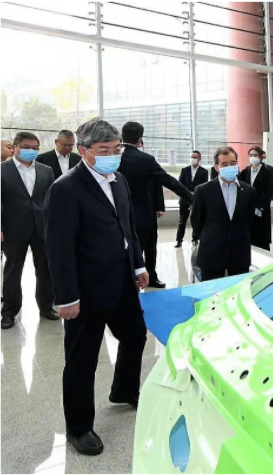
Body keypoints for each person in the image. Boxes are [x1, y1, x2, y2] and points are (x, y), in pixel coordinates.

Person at [44, 118, 149, 456]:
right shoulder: (66, 188)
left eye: (116, 149)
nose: (112, 156)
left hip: (121, 281)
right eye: (104, 150)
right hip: (86, 290)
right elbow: (58, 249)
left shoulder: (119, 180)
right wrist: (66, 297)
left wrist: (138, 264)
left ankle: (124, 390)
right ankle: (79, 428)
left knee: (135, 335)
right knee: (82, 360)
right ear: (84, 151)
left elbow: (127, 227)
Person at [118, 121, 193, 288]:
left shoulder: (113, 158)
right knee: (149, 246)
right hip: (144, 213)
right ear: (140, 138)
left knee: (128, 250)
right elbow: (169, 181)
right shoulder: (145, 159)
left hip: (120, 214)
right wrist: (193, 198)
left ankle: (134, 280)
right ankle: (148, 276)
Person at [1, 132, 57, 330]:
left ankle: (46, 307)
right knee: (12, 270)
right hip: (13, 228)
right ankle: (9, 312)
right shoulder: (2, 170)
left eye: (35, 148)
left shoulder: (45, 170)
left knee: (45, 269)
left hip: (42, 227)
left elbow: (52, 200)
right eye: (26, 147)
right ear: (15, 147)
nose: (31, 151)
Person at [191, 146, 257, 281]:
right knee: (211, 290)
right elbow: (196, 220)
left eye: (233, 163)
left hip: (239, 253)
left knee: (237, 288)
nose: (229, 167)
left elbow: (249, 220)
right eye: (224, 164)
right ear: (216, 167)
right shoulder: (203, 191)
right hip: (211, 252)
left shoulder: (249, 191)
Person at [239, 146, 273, 250]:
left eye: (255, 155)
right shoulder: (244, 172)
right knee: (248, 235)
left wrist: (259, 205)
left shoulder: (268, 172)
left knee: (261, 236)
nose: (253, 157)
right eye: (251, 155)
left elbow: (269, 190)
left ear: (260, 156)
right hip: (247, 209)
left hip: (261, 208)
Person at [175, 150, 209, 248]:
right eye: (192, 157)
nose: (193, 159)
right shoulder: (184, 170)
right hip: (184, 199)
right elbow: (180, 184)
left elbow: (204, 185)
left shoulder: (204, 172)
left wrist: (195, 193)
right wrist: (187, 193)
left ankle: (195, 239)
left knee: (196, 220)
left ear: (199, 159)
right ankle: (179, 240)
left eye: (195, 157)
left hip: (197, 199)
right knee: (182, 220)